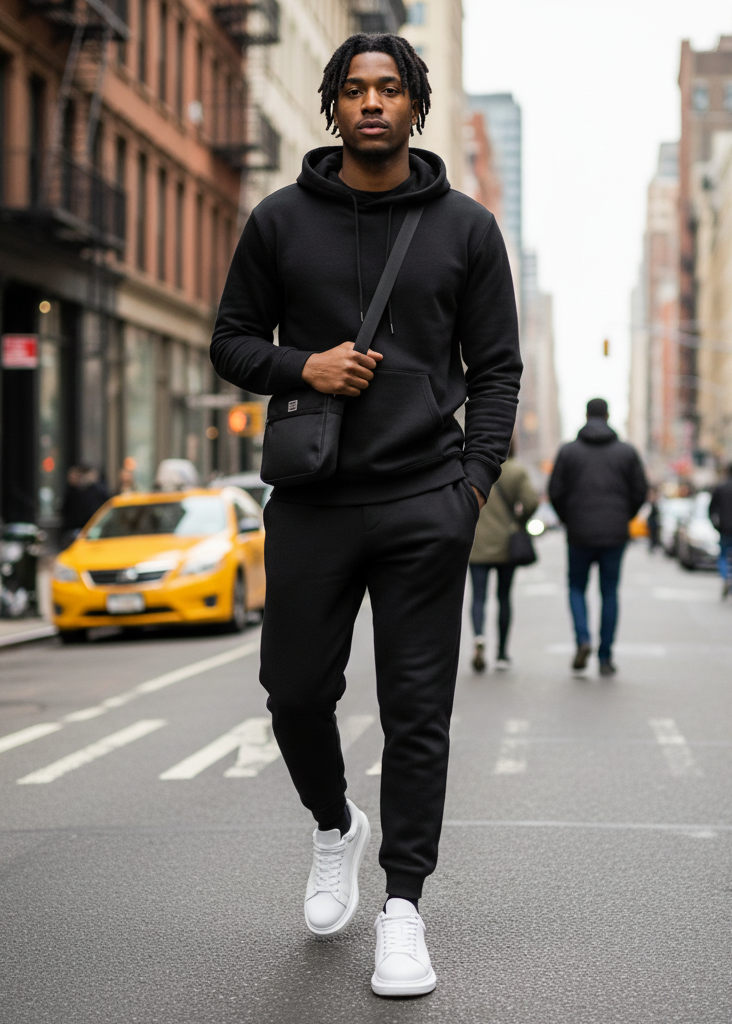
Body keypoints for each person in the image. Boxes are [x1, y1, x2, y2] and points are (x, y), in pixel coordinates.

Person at [211, 33, 521, 997]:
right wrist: (302, 364)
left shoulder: (466, 228)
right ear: (334, 105)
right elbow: (228, 341)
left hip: (427, 498)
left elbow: (498, 372)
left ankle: (403, 909)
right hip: (312, 500)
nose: (373, 102)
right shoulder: (278, 221)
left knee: (417, 713)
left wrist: (471, 484)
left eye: (390, 88)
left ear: (415, 105)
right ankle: (337, 824)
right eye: (356, 89)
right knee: (295, 692)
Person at [548, 398, 647, 677]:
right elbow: (640, 491)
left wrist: (570, 518)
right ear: (608, 416)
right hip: (614, 534)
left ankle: (583, 640)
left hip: (579, 533)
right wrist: (623, 516)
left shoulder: (568, 452)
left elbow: (555, 491)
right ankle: (605, 657)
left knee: (576, 588)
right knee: (609, 592)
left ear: (586, 415)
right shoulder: (626, 452)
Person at [469, 445, 538, 672]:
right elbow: (531, 501)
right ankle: (501, 653)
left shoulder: (472, 468)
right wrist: (519, 521)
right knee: (504, 597)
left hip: (477, 544)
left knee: (478, 597)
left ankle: (479, 637)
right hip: (506, 544)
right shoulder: (516, 470)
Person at [709, 463, 732, 597]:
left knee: (723, 556)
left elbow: (711, 510)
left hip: (724, 529)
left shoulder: (721, 488)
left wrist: (716, 525)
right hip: (724, 529)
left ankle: (726, 578)